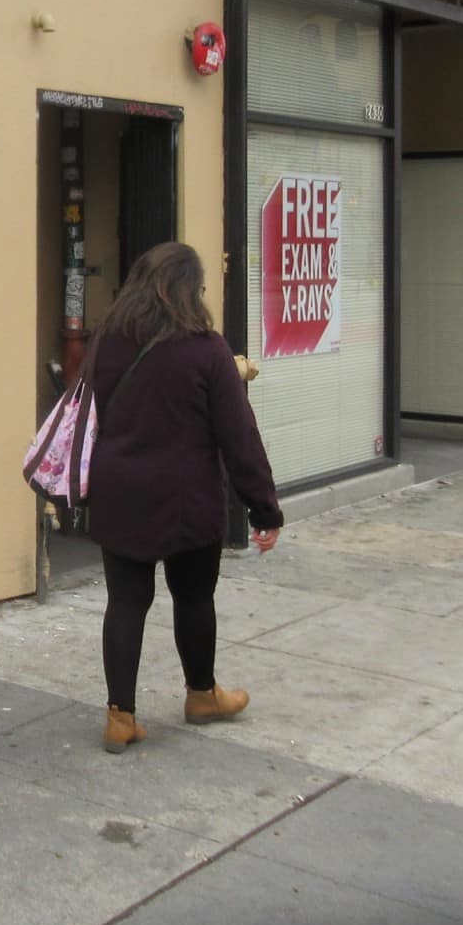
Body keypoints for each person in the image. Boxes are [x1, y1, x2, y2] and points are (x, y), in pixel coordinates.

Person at [81, 241, 283, 753]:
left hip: (120, 491)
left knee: (126, 602)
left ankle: (119, 716)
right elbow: (239, 437)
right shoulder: (206, 348)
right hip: (187, 498)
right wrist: (264, 508)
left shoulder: (107, 340)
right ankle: (201, 694)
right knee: (193, 596)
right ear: (190, 291)